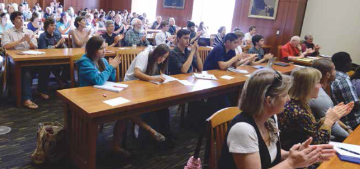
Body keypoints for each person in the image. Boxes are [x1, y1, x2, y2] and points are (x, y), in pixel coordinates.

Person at [219, 69, 337, 169]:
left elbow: (271, 153)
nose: (288, 99)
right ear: (269, 101)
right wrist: (291, 163)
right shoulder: (243, 130)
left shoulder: (270, 118)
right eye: (285, 95)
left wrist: (298, 155)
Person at [77, 37, 165, 157]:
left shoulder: (102, 61)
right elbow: (98, 80)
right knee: (125, 111)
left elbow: (111, 79)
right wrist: (111, 67)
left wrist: (111, 67)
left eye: (104, 47)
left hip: (103, 93)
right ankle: (149, 129)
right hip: (87, 97)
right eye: (101, 48)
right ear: (92, 50)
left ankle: (116, 145)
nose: (104, 50)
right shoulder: (84, 62)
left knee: (125, 109)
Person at [278, 67, 354, 151]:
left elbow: (311, 128)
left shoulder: (300, 103)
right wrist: (329, 121)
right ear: (307, 87)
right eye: (318, 82)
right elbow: (316, 146)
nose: (320, 85)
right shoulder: (298, 112)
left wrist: (332, 115)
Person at [124, 44, 173, 146]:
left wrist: (159, 78)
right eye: (162, 56)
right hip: (130, 85)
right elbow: (137, 73)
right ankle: (143, 133)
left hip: (144, 86)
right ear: (156, 53)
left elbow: (152, 76)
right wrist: (155, 78)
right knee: (150, 103)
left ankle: (164, 132)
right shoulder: (144, 55)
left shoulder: (156, 62)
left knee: (163, 104)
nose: (162, 60)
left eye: (165, 58)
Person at [2, 11, 50, 109]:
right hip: (14, 62)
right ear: (13, 21)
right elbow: (5, 46)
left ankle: (40, 90)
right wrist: (20, 40)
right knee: (26, 71)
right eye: (19, 18)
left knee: (46, 66)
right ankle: (26, 99)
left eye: (22, 17)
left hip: (30, 58)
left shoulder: (29, 32)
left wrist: (29, 42)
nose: (21, 19)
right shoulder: (7, 32)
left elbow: (35, 47)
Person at [310, 59, 352, 141]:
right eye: (334, 69)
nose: (336, 72)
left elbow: (331, 118)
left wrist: (347, 128)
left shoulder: (323, 88)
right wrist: (350, 138)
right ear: (328, 75)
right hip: (317, 138)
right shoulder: (321, 97)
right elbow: (333, 128)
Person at [331, 52, 360, 129]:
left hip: (339, 118)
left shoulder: (333, 75)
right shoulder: (343, 80)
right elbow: (354, 105)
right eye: (350, 62)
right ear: (345, 64)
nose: (351, 64)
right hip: (351, 121)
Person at [38, 17, 69, 88]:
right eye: (52, 25)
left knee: (69, 63)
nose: (54, 27)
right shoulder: (43, 36)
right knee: (48, 65)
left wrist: (61, 44)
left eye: (55, 25)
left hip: (59, 56)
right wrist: (57, 45)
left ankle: (61, 79)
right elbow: (43, 50)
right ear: (46, 26)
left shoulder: (57, 34)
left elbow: (64, 48)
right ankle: (59, 80)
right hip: (47, 58)